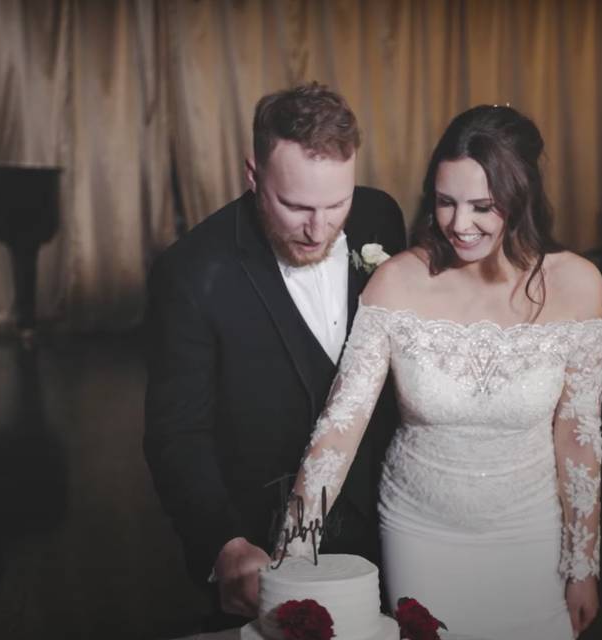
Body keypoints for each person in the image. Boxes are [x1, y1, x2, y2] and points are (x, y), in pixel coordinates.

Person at [278, 105, 602, 639]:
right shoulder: (396, 282)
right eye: (446, 202)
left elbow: (579, 440)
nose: (459, 223)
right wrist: (294, 546)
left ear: (521, 196)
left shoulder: (578, 286)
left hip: (532, 532)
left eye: (483, 206)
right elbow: (340, 429)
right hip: (420, 530)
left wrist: (582, 565)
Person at [143, 83, 406, 630]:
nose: (319, 228)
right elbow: (176, 433)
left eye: (337, 203)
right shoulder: (192, 271)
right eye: (296, 206)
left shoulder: (381, 217)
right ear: (253, 175)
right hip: (269, 545)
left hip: (394, 526)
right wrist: (223, 541)